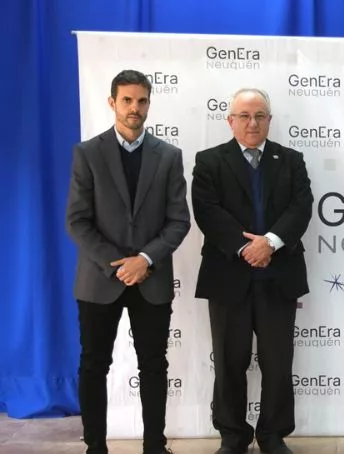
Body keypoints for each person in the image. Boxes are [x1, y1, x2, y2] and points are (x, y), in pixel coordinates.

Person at [65, 69, 190, 454]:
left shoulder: (169, 156)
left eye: (141, 100)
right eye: (127, 100)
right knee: (93, 364)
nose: (135, 107)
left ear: (149, 104)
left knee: (153, 365)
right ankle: (95, 447)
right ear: (112, 102)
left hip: (151, 279)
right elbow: (77, 221)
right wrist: (119, 264)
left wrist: (145, 259)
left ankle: (155, 446)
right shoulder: (87, 153)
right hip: (99, 279)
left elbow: (179, 221)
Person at [192, 88, 313, 454]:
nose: (252, 123)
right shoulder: (209, 161)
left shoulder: (290, 160)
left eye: (260, 116)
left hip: (279, 277)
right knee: (229, 363)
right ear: (230, 121)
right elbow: (207, 211)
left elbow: (301, 206)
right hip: (229, 277)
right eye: (244, 116)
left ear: (269, 120)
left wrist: (270, 243)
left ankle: (273, 436)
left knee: (278, 364)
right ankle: (233, 437)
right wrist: (246, 248)